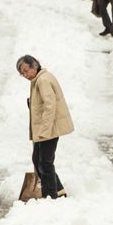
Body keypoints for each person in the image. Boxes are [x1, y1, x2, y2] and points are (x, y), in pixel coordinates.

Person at [16, 55, 73, 199]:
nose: (25, 75)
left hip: (48, 129)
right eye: (21, 73)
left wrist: (45, 131)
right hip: (44, 128)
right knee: (38, 160)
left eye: (26, 70)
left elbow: (50, 106)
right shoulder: (38, 80)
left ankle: (50, 197)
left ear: (34, 65)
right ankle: (58, 190)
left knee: (45, 163)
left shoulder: (43, 80)